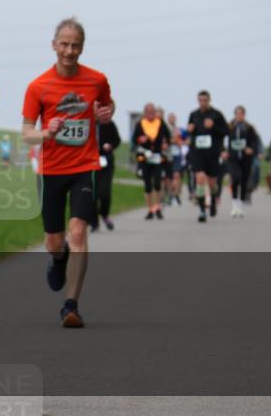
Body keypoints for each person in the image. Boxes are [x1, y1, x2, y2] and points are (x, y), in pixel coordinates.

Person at [22, 17, 115, 328]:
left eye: (75, 45)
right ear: (54, 45)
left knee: (78, 233)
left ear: (82, 47)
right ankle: (57, 258)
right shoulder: (38, 86)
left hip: (84, 166)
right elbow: (26, 133)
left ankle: (71, 305)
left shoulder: (96, 80)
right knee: (54, 239)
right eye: (64, 44)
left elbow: (107, 105)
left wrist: (105, 113)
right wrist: (47, 132)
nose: (69, 51)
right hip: (51, 170)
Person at [186, 90, 229, 223]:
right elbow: (190, 132)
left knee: (212, 183)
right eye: (200, 100)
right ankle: (202, 211)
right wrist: (190, 130)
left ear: (209, 100)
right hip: (197, 152)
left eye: (205, 100)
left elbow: (226, 131)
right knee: (199, 179)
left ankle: (214, 200)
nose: (203, 103)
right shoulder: (193, 115)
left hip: (212, 153)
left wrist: (214, 126)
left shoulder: (217, 114)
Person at [132, 103, 171, 220]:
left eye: (152, 111)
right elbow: (134, 139)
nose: (150, 114)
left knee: (158, 182)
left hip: (157, 156)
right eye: (148, 111)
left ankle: (158, 207)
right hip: (144, 156)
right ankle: (150, 209)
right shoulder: (140, 123)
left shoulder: (160, 122)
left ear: (155, 112)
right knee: (147, 184)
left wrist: (165, 143)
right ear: (144, 112)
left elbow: (168, 136)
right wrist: (141, 139)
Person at [225, 105, 261, 218]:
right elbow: (220, 138)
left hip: (246, 158)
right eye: (237, 113)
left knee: (244, 181)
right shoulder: (229, 127)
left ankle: (240, 207)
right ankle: (234, 205)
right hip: (233, 158)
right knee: (236, 178)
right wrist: (224, 151)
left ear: (244, 115)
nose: (239, 116)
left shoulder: (249, 127)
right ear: (234, 115)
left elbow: (255, 142)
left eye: (241, 113)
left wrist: (252, 150)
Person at [92, 119, 121, 231]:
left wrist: (111, 145)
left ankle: (104, 214)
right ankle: (94, 223)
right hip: (89, 160)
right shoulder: (85, 121)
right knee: (91, 193)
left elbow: (117, 140)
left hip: (106, 161)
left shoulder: (109, 123)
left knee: (104, 192)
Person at [167, 112, 188, 206]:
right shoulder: (165, 128)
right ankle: (171, 195)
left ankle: (176, 195)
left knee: (177, 175)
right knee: (169, 178)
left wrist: (182, 142)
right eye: (170, 117)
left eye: (173, 118)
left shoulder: (179, 129)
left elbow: (186, 139)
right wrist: (173, 141)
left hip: (177, 155)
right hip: (168, 155)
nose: (172, 119)